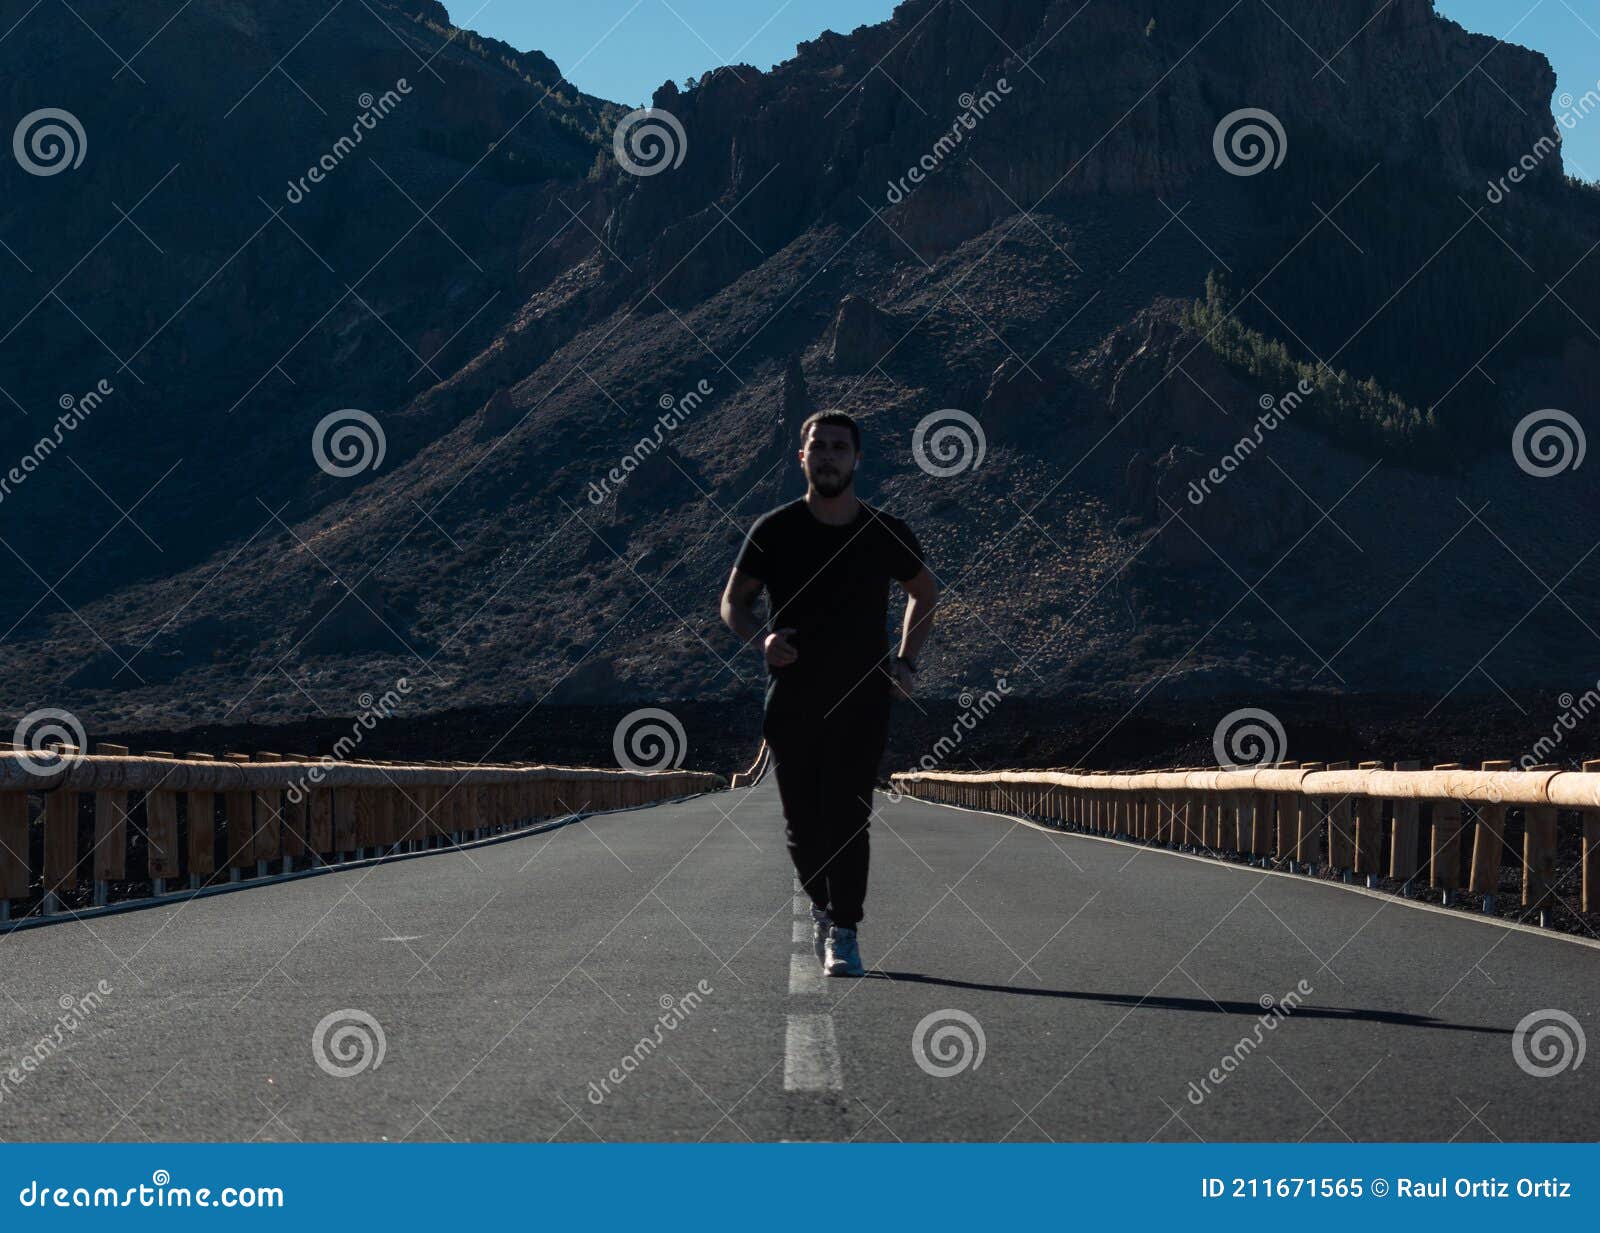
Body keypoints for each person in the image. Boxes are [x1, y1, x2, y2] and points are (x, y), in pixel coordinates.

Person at [720, 410, 938, 976]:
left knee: (849, 814)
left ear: (856, 459)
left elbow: (923, 593)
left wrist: (908, 661)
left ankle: (844, 929)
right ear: (802, 458)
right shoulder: (775, 530)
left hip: (863, 698)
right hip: (792, 698)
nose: (829, 456)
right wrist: (761, 638)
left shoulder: (885, 532)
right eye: (819, 446)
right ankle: (821, 904)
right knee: (802, 823)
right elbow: (732, 603)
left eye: (840, 447)